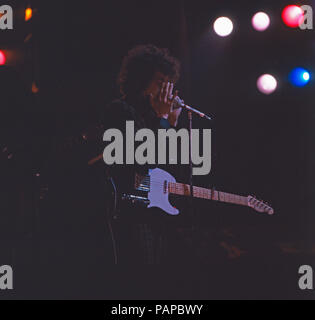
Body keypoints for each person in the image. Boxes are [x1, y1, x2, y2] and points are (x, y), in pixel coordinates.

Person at [100, 44, 189, 264]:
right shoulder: (120, 111)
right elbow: (142, 161)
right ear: (141, 80)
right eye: (160, 82)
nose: (165, 91)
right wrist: (160, 120)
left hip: (158, 215)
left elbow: (176, 173)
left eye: (169, 85)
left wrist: (172, 125)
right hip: (129, 216)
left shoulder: (161, 120)